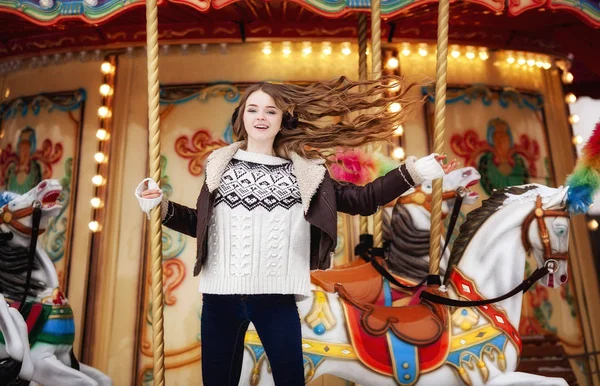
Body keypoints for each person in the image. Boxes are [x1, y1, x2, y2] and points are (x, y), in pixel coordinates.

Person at [136, 76, 457, 386]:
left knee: (290, 380)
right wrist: (162, 208)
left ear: (283, 119)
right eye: (253, 109)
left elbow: (364, 200)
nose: (261, 117)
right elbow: (202, 225)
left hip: (276, 297)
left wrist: (413, 171)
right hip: (220, 297)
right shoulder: (219, 165)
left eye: (270, 111)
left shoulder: (305, 174)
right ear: (242, 116)